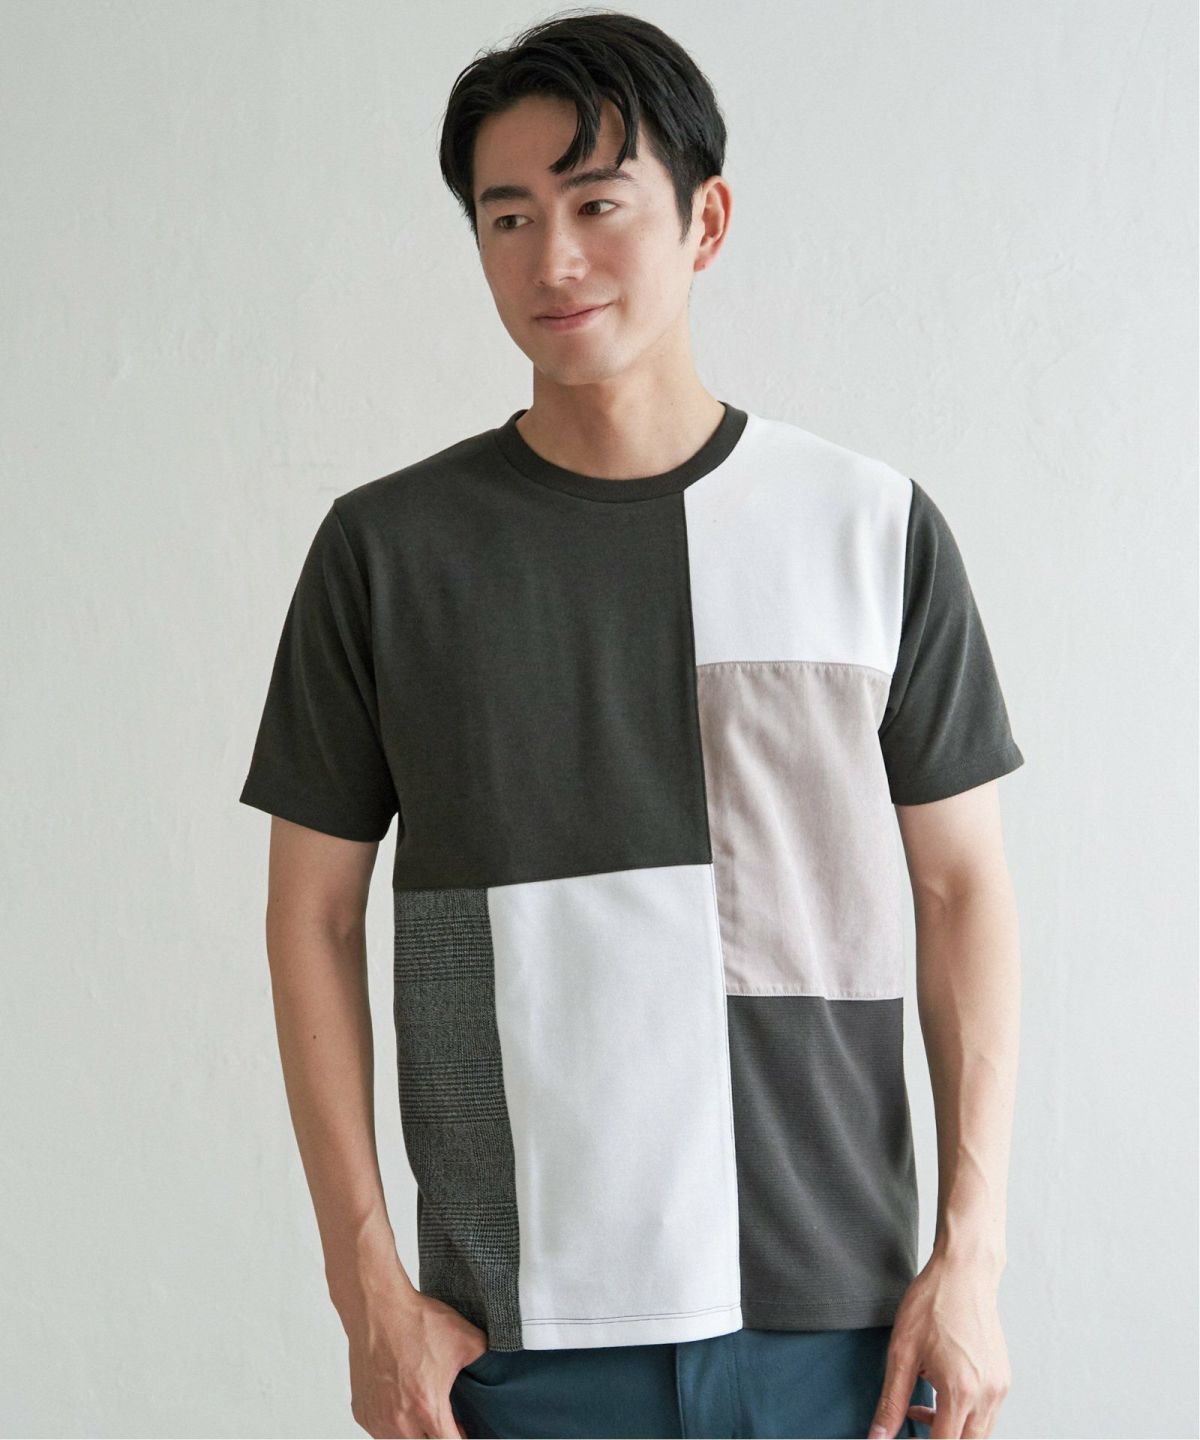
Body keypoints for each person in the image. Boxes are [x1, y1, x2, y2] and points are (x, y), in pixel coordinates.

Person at [238, 10, 1024, 1439]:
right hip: (516, 1340)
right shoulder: (388, 553)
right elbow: (311, 916)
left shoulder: (869, 529)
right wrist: (369, 1292)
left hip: (836, 1330)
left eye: (598, 204)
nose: (554, 259)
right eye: (509, 217)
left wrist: (970, 1256)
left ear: (704, 220)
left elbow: (961, 890)